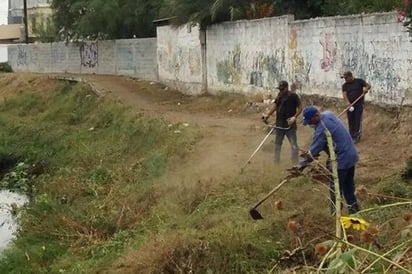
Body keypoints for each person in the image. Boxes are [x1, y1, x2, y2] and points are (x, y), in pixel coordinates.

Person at [294, 106, 360, 214]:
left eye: (310, 121)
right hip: (351, 154)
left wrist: (300, 165)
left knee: (335, 188)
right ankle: (355, 211)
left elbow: (313, 151)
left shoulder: (321, 129)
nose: (310, 124)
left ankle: (335, 213)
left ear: (316, 116)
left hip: (341, 159)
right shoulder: (328, 114)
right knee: (348, 186)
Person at [262, 80, 302, 164]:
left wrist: (294, 117)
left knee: (294, 145)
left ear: (287, 88)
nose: (281, 91)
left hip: (289, 125)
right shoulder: (280, 95)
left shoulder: (293, 96)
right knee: (277, 145)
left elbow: (300, 107)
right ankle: (276, 162)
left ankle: (295, 163)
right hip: (279, 124)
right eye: (280, 89)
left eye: (282, 89)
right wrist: (267, 115)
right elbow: (276, 106)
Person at [341, 71, 371, 143]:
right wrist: (348, 103)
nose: (345, 80)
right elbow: (345, 95)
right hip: (350, 105)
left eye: (346, 78)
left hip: (359, 104)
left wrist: (366, 89)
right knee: (351, 120)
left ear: (351, 76)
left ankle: (356, 136)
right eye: (344, 78)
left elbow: (368, 86)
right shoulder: (344, 86)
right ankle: (351, 136)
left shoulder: (359, 81)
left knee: (357, 120)